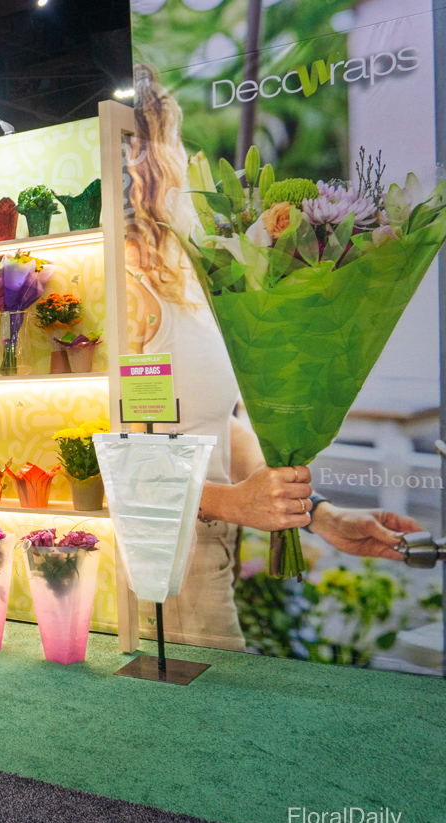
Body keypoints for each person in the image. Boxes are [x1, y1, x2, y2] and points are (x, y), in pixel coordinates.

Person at [125, 64, 421, 650]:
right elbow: (117, 457)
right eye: (170, 136)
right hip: (165, 569)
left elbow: (214, 425)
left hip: (206, 553)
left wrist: (317, 514)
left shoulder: (181, 274)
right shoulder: (124, 285)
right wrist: (232, 502)